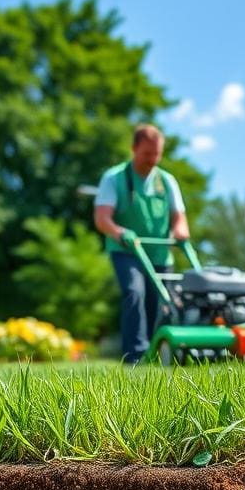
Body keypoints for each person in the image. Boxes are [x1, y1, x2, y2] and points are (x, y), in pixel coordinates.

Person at [94, 124, 190, 363]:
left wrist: (179, 231)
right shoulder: (115, 178)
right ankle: (134, 358)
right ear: (134, 148)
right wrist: (119, 231)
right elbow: (102, 219)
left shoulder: (166, 181)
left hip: (159, 253)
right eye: (147, 154)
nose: (152, 160)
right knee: (134, 293)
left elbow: (180, 219)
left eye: (156, 154)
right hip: (127, 250)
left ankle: (160, 353)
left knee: (160, 304)